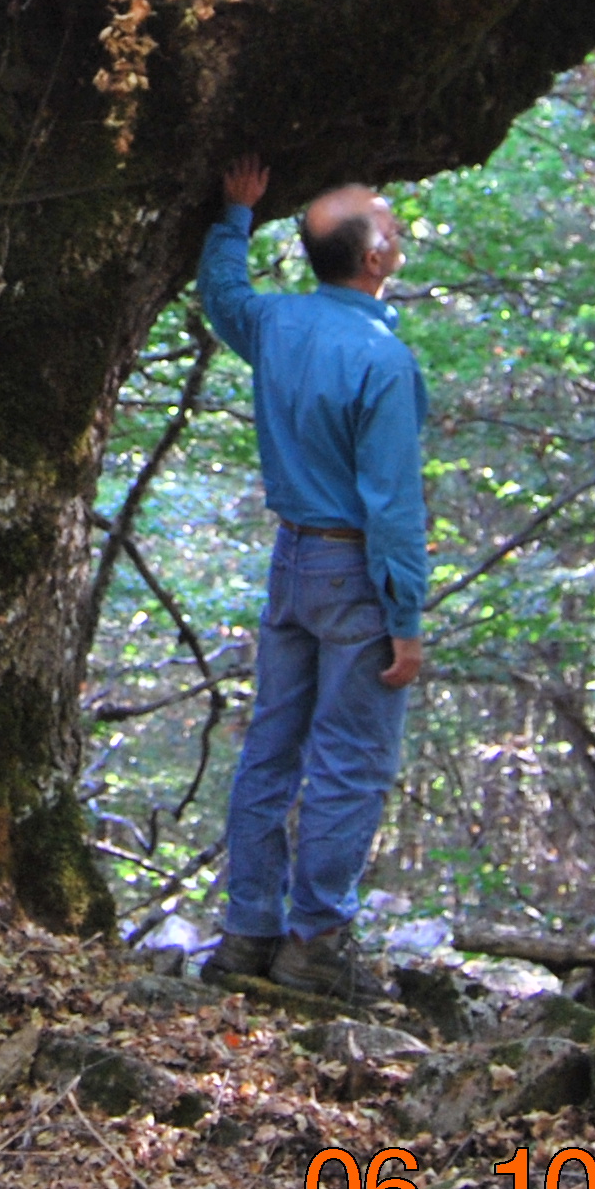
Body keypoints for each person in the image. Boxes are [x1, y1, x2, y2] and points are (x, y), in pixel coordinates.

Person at [197, 155, 429, 999]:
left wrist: (235, 216)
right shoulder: (382, 361)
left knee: (272, 749)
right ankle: (316, 943)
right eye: (390, 225)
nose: (397, 232)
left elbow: (223, 295)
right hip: (352, 570)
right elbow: (392, 507)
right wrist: (406, 619)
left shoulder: (279, 324)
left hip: (291, 561)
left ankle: (246, 933)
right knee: (349, 760)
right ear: (374, 259)